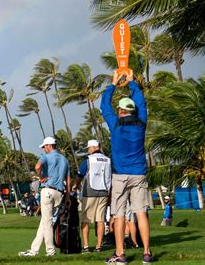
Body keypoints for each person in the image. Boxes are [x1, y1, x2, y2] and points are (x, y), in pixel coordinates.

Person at [100, 70, 153, 264]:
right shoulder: (141, 123)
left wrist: (113, 84)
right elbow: (142, 102)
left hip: (120, 175)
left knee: (119, 214)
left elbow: (104, 105)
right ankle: (146, 252)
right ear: (133, 111)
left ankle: (120, 254)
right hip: (139, 174)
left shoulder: (115, 124)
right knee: (141, 213)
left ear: (121, 111)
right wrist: (132, 83)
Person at [19, 136, 70, 257]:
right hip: (59, 193)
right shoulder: (65, 159)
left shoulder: (46, 156)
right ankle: (34, 250)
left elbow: (37, 167)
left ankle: (50, 252)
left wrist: (41, 177)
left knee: (47, 223)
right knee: (45, 221)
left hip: (48, 191)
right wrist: (67, 196)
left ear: (49, 146)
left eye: (44, 147)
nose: (43, 149)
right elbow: (68, 179)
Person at [75, 139, 111, 253]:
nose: (88, 151)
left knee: (85, 220)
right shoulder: (108, 160)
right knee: (100, 220)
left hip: (89, 192)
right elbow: (110, 177)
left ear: (93, 147)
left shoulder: (88, 160)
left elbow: (80, 174)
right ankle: (98, 246)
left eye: (89, 148)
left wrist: (75, 186)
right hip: (104, 192)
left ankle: (86, 247)